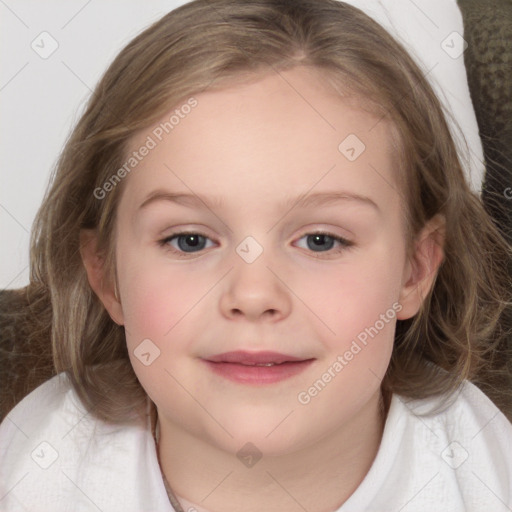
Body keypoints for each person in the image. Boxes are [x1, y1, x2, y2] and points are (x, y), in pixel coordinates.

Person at [1, 1, 511, 510]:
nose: (253, 295)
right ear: (107, 276)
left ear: (414, 271)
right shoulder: (30, 468)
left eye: (321, 240)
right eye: (190, 240)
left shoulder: (488, 474)